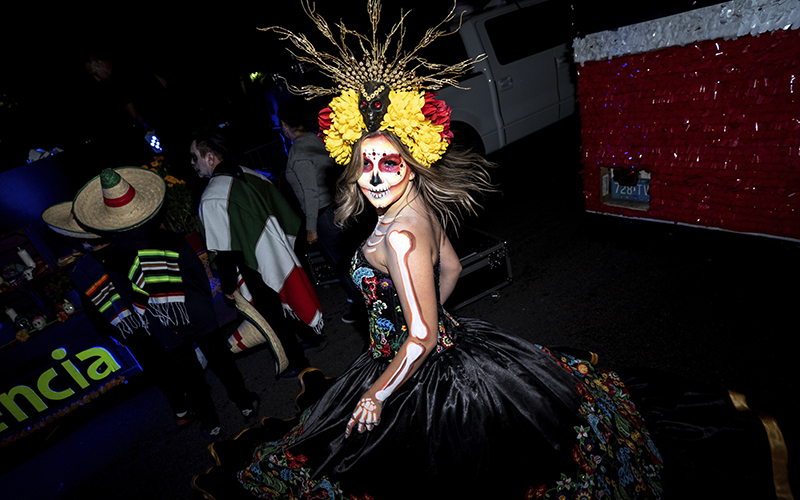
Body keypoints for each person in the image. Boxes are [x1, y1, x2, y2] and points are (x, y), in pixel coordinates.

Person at [191, 2, 789, 498]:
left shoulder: (397, 234)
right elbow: (449, 268)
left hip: (412, 368)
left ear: (413, 161)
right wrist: (430, 317)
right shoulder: (418, 207)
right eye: (366, 161)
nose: (374, 175)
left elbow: (419, 340)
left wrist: (379, 387)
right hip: (448, 343)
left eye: (389, 162)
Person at [65, 167, 259, 439]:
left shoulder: (117, 257)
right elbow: (198, 276)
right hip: (196, 309)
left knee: (190, 374)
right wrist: (199, 300)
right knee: (220, 359)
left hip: (163, 322)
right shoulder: (170, 238)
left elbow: (129, 296)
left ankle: (211, 422)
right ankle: (246, 404)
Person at [190, 129, 325, 378]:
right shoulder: (253, 175)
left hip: (252, 266)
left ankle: (300, 364)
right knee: (286, 298)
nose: (193, 164)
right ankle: (314, 337)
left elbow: (224, 250)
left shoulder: (212, 196)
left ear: (210, 158)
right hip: (278, 250)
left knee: (275, 315)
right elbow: (285, 212)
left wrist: (228, 286)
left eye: (195, 157)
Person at [278, 96, 363, 323]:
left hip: (325, 215)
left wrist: (311, 227)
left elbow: (310, 193)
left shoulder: (298, 153)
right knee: (354, 258)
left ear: (285, 125)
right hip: (339, 207)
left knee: (342, 266)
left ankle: (364, 307)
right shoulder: (318, 141)